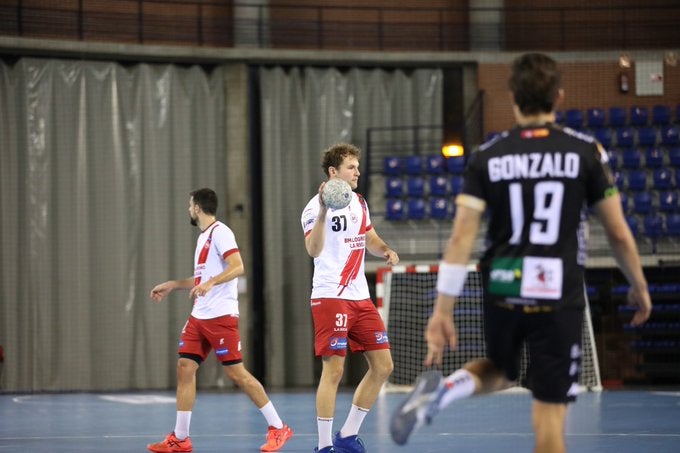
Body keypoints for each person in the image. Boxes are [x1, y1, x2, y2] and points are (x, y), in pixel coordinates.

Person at [390, 53, 652, 453]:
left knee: (500, 368)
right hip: (556, 289)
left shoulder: (487, 156)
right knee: (550, 424)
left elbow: (461, 238)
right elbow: (617, 232)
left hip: (503, 282)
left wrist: (442, 310)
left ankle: (442, 392)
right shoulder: (586, 152)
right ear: (559, 97)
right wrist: (639, 285)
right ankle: (442, 394)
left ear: (512, 97)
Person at [147, 188, 293, 453]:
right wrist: (173, 285)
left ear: (197, 208)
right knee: (184, 367)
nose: (188, 209)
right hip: (199, 315)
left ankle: (278, 426)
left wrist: (211, 283)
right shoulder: (203, 238)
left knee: (235, 372)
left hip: (220, 316)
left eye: (190, 205)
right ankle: (181, 438)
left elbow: (238, 266)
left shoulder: (221, 232)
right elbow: (201, 280)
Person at [301, 143, 400, 453]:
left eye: (358, 166)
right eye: (351, 167)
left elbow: (368, 236)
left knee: (383, 366)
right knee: (334, 371)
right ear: (333, 173)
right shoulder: (312, 208)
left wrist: (384, 248)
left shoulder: (359, 202)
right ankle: (324, 445)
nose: (358, 172)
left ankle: (347, 435)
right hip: (331, 296)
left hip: (360, 297)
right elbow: (313, 250)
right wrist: (322, 211)